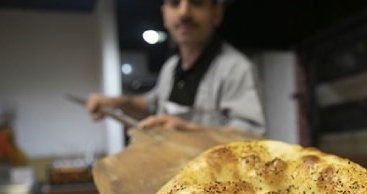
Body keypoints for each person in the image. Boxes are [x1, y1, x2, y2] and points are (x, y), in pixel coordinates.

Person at [87, 0, 266, 135]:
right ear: (165, 15)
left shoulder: (236, 68)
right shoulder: (170, 67)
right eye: (174, 3)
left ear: (216, 13)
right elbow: (152, 105)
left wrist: (190, 131)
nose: (184, 12)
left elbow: (252, 134)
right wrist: (117, 103)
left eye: (196, 2)